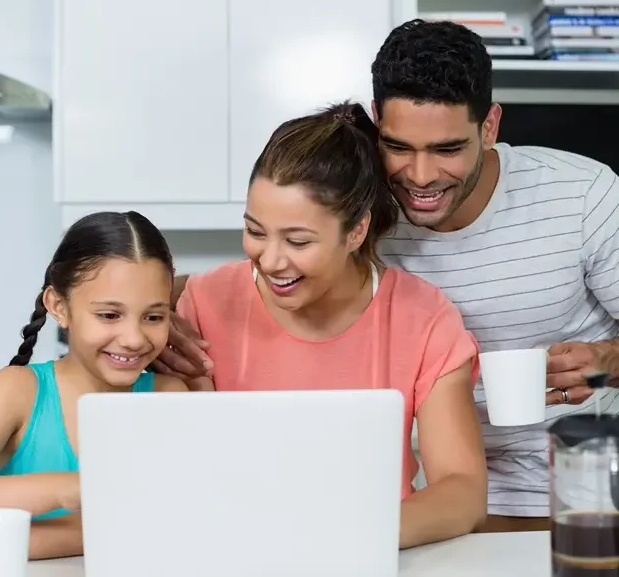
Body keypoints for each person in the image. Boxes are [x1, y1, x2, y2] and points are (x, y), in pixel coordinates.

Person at [161, 21, 619, 575]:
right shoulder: (367, 207)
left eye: (446, 149)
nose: (420, 176)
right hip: (473, 495)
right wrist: (161, 316)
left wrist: (606, 362)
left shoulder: (581, 195)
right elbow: (266, 265)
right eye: (398, 146)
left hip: (601, 480)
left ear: (489, 125)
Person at [173, 101, 487, 549]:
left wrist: (343, 540)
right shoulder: (205, 303)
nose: (271, 260)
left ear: (357, 231)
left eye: (298, 240)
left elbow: (462, 491)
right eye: (256, 232)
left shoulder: (424, 319)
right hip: (232, 552)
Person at [0, 211, 187, 576]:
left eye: (153, 317)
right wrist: (73, 490)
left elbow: (159, 525)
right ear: (59, 306)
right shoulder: (17, 391)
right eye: (109, 315)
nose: (135, 338)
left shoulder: (169, 399)